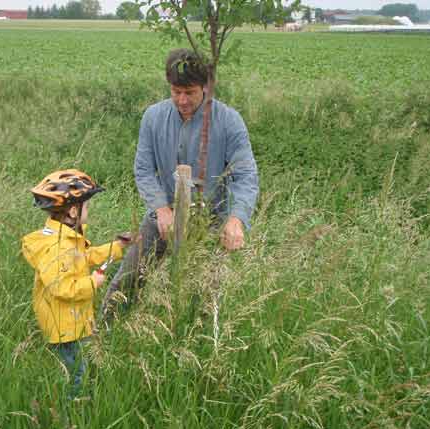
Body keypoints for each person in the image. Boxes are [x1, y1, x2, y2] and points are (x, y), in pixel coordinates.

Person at [102, 48, 259, 321]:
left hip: (210, 222)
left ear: (206, 88)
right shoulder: (153, 117)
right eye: (176, 92)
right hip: (163, 216)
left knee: (205, 294)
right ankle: (102, 335)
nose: (182, 100)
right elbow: (143, 169)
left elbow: (245, 176)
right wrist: (161, 209)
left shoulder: (229, 121)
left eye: (190, 92)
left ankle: (197, 345)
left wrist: (236, 220)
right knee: (127, 280)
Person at [22, 169, 129, 399]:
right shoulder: (58, 248)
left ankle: (76, 405)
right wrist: (93, 282)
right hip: (65, 329)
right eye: (86, 206)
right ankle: (72, 412)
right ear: (73, 211)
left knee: (82, 369)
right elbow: (61, 288)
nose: (88, 210)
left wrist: (117, 247)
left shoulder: (68, 237)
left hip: (75, 321)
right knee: (76, 376)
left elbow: (85, 257)